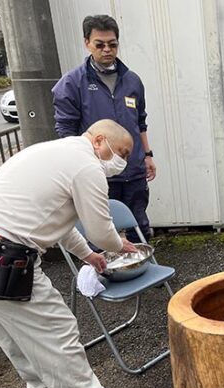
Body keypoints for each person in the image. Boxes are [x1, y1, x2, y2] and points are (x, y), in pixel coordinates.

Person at [0, 120, 144, 388]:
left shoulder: (57, 152)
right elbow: (101, 232)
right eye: (122, 153)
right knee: (57, 328)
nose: (123, 162)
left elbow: (56, 219)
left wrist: (87, 256)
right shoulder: (87, 166)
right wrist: (119, 245)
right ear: (99, 140)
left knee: (16, 335)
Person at [52, 15, 156, 244]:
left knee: (138, 225)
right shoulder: (71, 83)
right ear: (87, 43)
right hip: (97, 172)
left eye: (112, 44)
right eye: (100, 44)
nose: (107, 50)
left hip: (133, 168)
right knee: (98, 230)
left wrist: (147, 155)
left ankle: (140, 269)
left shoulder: (132, 81)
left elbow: (140, 121)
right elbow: (66, 132)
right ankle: (102, 276)